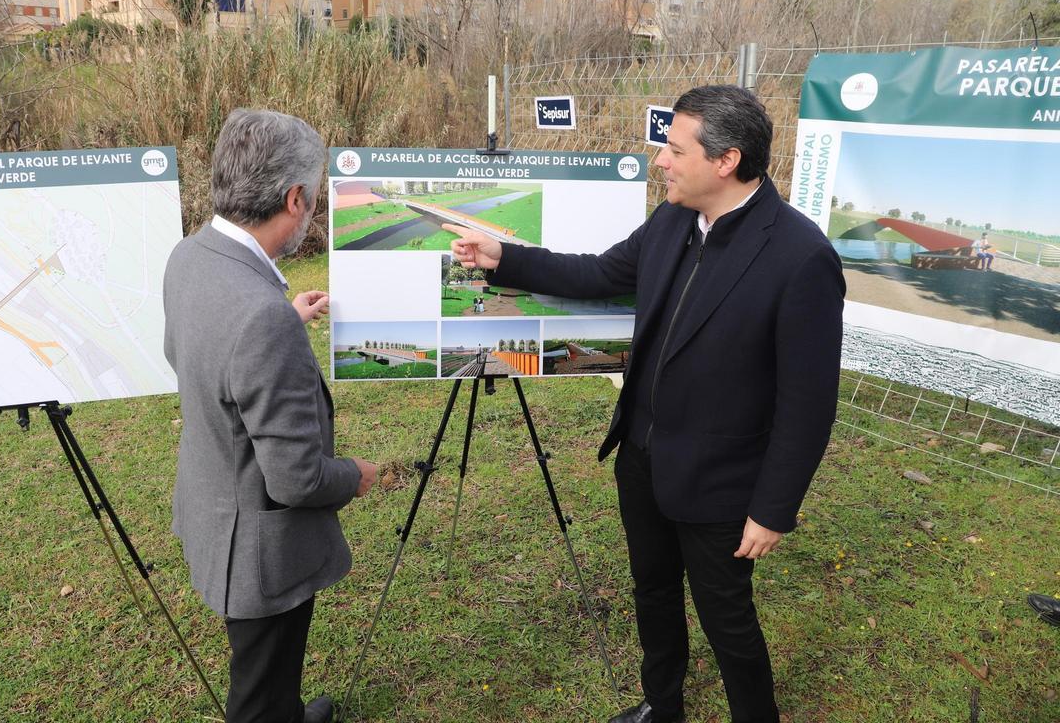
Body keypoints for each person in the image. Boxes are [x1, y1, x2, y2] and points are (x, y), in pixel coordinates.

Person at [444, 85, 844, 723]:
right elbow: (600, 274)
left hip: (721, 484)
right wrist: (504, 257)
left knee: (727, 622)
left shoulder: (800, 258)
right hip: (643, 457)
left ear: (726, 161)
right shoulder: (674, 221)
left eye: (674, 149)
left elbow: (809, 402)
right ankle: (663, 707)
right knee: (653, 593)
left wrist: (771, 510)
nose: (660, 160)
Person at [163, 109, 378, 723]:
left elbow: (191, 353)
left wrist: (284, 317)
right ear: (294, 199)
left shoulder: (191, 256)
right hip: (257, 548)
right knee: (258, 685)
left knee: (273, 674)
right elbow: (296, 479)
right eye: (314, 193)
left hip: (212, 508)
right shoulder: (262, 319)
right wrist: (356, 475)